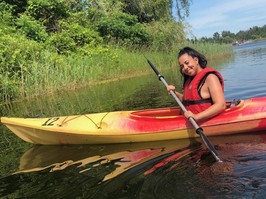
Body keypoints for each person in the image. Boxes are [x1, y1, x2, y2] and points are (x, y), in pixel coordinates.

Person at [167, 47, 226, 121]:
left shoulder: (210, 78)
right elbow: (189, 101)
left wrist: (197, 116)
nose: (185, 68)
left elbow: (221, 105)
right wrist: (174, 93)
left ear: (196, 60)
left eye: (187, 63)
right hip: (189, 119)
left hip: (204, 120)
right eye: (182, 66)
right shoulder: (190, 79)